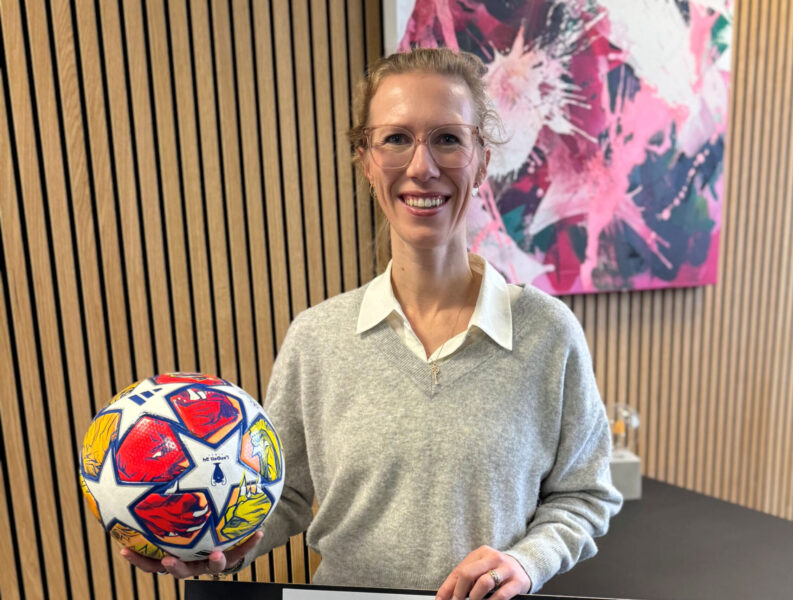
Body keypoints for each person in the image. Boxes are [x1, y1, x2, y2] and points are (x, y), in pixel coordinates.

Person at [122, 48, 622, 600]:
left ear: (481, 160)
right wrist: (212, 542)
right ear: (366, 161)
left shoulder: (548, 333)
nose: (422, 166)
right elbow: (282, 496)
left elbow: (585, 494)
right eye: (396, 139)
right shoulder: (315, 338)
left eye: (448, 139)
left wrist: (526, 562)